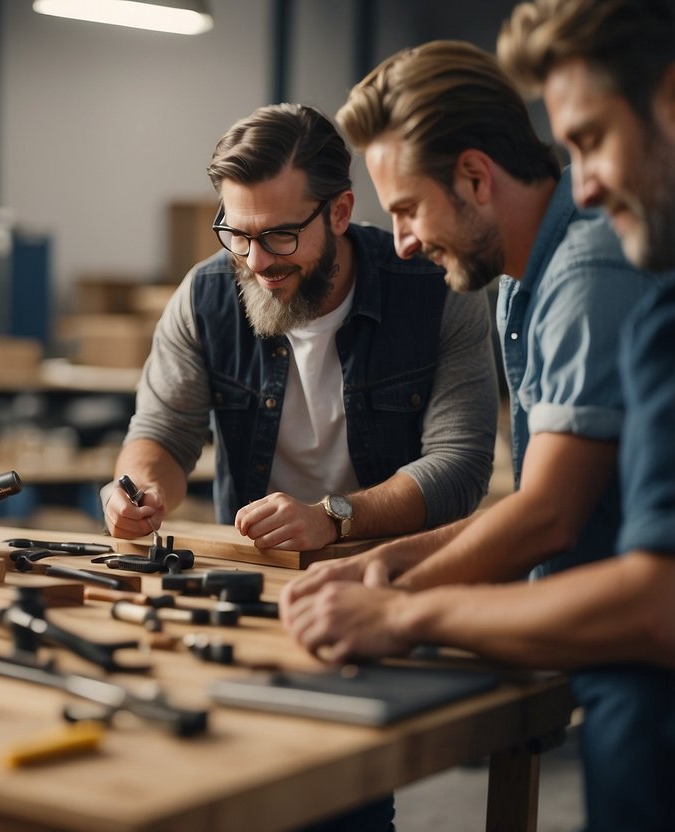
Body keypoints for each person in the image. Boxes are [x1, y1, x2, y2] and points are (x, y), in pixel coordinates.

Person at [282, 23, 675, 832]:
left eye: (406, 209)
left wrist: (392, 608)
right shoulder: (515, 284)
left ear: (472, 176)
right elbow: (537, 497)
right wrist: (381, 565)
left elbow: (550, 521)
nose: (399, 240)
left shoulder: (590, 270)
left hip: (637, 676)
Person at [103, 104, 498, 556]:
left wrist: (333, 518)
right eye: (238, 234)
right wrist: (140, 492)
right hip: (257, 571)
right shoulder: (203, 297)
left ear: (340, 212)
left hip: (397, 572)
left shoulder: (437, 291)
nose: (256, 261)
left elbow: (461, 464)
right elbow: (163, 432)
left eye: (280, 235)